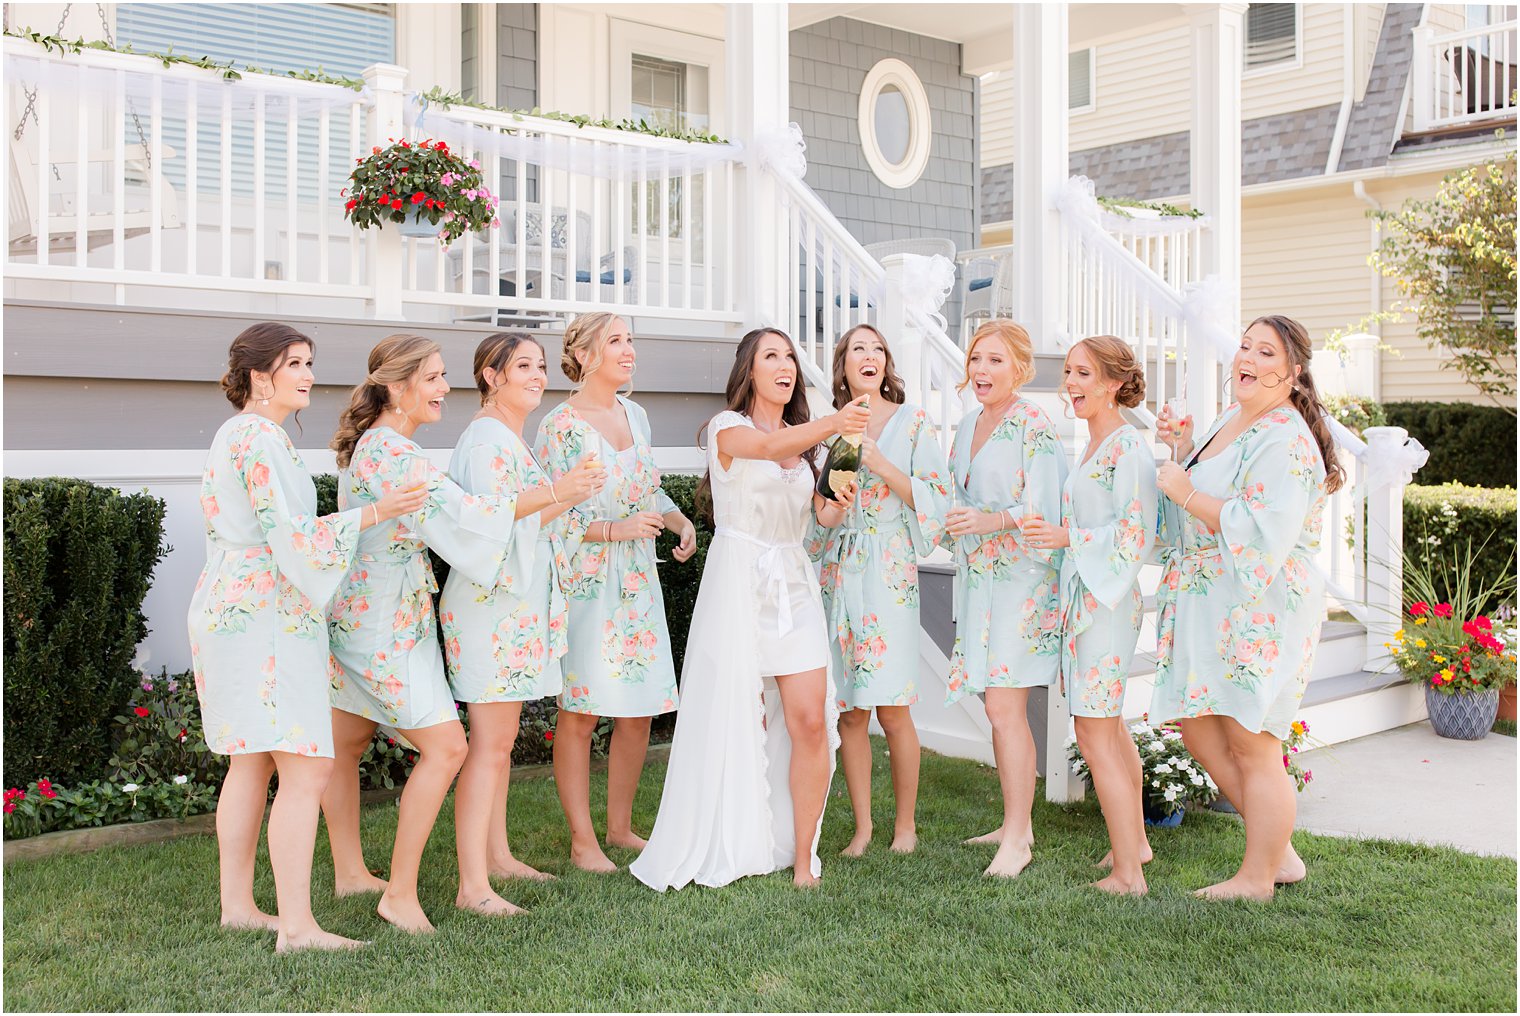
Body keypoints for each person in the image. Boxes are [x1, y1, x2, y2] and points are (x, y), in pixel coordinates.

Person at [189, 322, 425, 951]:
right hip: (265, 612)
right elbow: (292, 539)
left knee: (251, 758)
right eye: (295, 364)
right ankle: (296, 927)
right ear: (260, 375)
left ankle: (238, 906)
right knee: (306, 763)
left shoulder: (233, 435)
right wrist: (376, 512)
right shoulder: (261, 439)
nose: (308, 375)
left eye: (309, 362)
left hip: (232, 602)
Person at [630, 327, 870, 891]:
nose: (785, 366)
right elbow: (763, 451)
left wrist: (838, 500)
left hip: (793, 583)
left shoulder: (806, 441)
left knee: (811, 719)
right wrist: (836, 422)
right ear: (749, 371)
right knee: (734, 717)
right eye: (772, 357)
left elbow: (821, 515)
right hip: (739, 579)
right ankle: (731, 836)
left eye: (791, 357)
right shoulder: (728, 428)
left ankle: (804, 853)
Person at [324, 333, 518, 933]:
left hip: (371, 617)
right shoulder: (391, 453)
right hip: (382, 625)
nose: (444, 388)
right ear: (397, 385)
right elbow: (466, 515)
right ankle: (399, 895)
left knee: (348, 743)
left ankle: (351, 871)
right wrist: (556, 496)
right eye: (433, 377)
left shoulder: (379, 446)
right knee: (448, 748)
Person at [1152, 314, 1341, 900]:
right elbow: (1211, 483)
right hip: (1212, 600)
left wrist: (1185, 491)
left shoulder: (1285, 437)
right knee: (1199, 727)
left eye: (1266, 353)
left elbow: (1262, 528)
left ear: (1293, 373)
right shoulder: (1233, 418)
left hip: (1261, 605)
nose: (1249, 360)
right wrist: (1182, 445)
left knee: (1254, 740)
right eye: (1245, 347)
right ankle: (1276, 850)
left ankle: (1257, 876)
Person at [441, 333, 607, 915]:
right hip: (490, 608)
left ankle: (498, 856)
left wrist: (574, 491)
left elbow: (528, 514)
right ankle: (472, 887)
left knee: (501, 743)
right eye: (524, 367)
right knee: (488, 746)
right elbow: (488, 520)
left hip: (512, 606)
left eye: (541, 366)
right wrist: (562, 489)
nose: (538, 375)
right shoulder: (486, 440)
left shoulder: (507, 435)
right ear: (491, 376)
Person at [534, 313, 698, 872]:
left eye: (630, 340)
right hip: (586, 581)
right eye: (616, 341)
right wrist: (614, 531)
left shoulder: (638, 414)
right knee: (580, 711)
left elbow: (648, 486)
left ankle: (621, 827)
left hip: (637, 583)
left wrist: (679, 523)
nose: (629, 350)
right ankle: (583, 842)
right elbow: (548, 515)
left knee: (639, 712)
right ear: (584, 355)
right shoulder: (559, 426)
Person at [809, 324, 950, 857]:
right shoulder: (832, 431)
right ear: (843, 367)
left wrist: (879, 462)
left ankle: (906, 826)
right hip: (843, 571)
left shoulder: (912, 423)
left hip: (888, 571)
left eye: (878, 349)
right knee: (850, 711)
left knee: (893, 707)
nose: (869, 357)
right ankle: (864, 828)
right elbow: (820, 516)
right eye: (857, 350)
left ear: (886, 364)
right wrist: (833, 502)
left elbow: (934, 499)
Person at [1024, 335, 1157, 895]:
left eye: (1082, 374)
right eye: (1069, 373)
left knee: (1094, 732)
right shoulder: (1094, 444)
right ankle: (1138, 846)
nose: (1070, 384)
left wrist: (1065, 537)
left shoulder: (1128, 448)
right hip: (1088, 601)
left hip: (1105, 603)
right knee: (1109, 727)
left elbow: (1135, 535)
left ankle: (1128, 876)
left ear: (1113, 384)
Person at [944, 319, 1067, 878]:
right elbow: (953, 490)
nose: (981, 371)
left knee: (1004, 707)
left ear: (1019, 368)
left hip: (1021, 580)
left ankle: (1018, 838)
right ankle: (1014, 821)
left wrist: (991, 520)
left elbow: (1045, 506)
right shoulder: (968, 421)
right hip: (979, 580)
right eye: (975, 359)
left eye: (994, 360)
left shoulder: (1034, 425)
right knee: (997, 711)